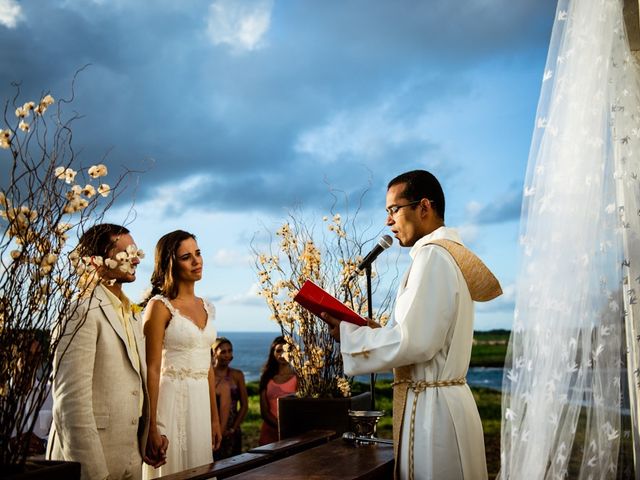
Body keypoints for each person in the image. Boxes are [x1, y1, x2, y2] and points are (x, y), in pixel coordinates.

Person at [322, 170, 501, 479]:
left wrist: (352, 337)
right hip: (442, 403)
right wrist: (372, 331)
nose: (388, 221)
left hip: (435, 415)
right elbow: (418, 335)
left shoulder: (433, 258)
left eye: (394, 209)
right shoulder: (441, 257)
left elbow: (415, 342)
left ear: (424, 207)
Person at [47, 223, 167, 480]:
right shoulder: (80, 311)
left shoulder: (133, 314)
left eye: (135, 249)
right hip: (90, 462)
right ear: (96, 261)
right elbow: (70, 403)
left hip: (130, 458)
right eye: (125, 252)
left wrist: (149, 435)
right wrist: (93, 473)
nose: (135, 257)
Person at [142, 230, 222, 478]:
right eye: (187, 257)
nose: (196, 261)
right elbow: (151, 369)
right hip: (170, 402)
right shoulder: (159, 306)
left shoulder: (208, 306)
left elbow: (207, 366)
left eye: (198, 253)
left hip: (200, 403)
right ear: (170, 263)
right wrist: (151, 426)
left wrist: (214, 419)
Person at [212, 337, 249, 459]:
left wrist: (233, 428)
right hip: (213, 427)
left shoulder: (237, 375)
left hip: (232, 428)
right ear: (214, 353)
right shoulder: (208, 375)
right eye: (223, 352)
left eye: (230, 351)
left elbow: (244, 405)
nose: (228, 355)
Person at [258, 336, 297, 445]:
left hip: (292, 430)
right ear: (273, 353)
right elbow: (264, 411)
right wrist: (278, 426)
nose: (282, 354)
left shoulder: (298, 378)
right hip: (269, 430)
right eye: (278, 350)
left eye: (285, 350)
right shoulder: (266, 377)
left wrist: (288, 427)